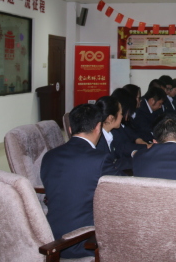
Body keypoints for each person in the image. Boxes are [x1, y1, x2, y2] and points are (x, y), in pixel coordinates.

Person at [40, 103, 120, 259]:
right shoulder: (100, 159)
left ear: (70, 129)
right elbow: (125, 189)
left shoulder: (49, 156)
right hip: (84, 241)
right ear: (98, 127)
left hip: (51, 238)